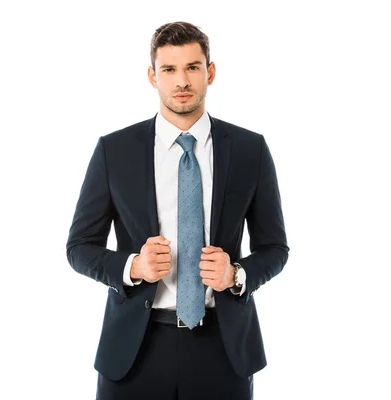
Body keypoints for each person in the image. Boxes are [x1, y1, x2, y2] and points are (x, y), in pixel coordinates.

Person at [66, 21, 289, 400]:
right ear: (153, 76)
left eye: (192, 67)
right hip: (135, 348)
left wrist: (236, 274)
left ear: (210, 72)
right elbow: (80, 246)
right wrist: (131, 267)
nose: (181, 81)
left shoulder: (251, 150)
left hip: (223, 345)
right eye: (169, 69)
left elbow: (275, 249)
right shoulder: (113, 151)